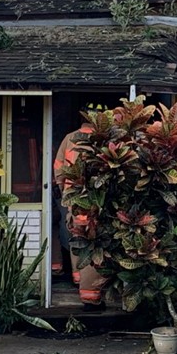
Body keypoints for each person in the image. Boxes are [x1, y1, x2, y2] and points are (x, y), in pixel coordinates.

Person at [53, 114, 108, 310]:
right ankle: (91, 294)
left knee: (78, 239)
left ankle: (78, 279)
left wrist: (64, 195)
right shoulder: (106, 140)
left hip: (75, 202)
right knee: (96, 248)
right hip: (99, 203)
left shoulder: (70, 138)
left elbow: (59, 170)